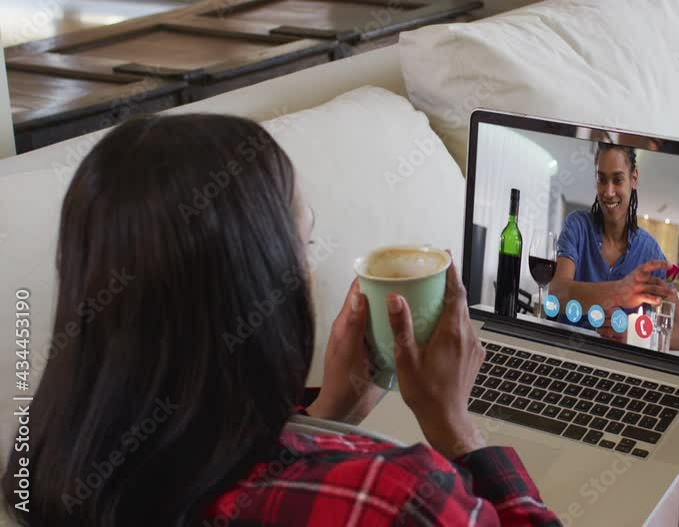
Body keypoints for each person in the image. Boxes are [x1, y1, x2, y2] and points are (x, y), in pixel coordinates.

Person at [1, 115, 560, 526]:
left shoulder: (45, 463)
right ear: (260, 284)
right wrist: (456, 428)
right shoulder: (394, 494)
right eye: (303, 241)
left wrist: (326, 413)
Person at [549, 143, 679, 350]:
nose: (608, 191)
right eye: (601, 179)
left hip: (618, 367)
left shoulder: (649, 251)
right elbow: (558, 293)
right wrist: (619, 291)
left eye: (617, 179)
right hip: (566, 355)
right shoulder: (577, 226)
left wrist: (634, 336)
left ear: (634, 179)